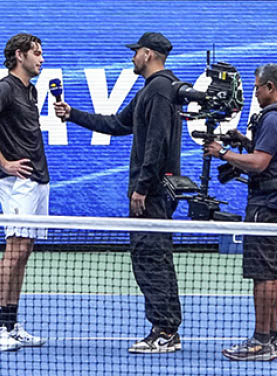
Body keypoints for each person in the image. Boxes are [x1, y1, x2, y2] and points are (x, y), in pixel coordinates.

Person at [54, 32, 183, 354]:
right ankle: (167, 328)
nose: (132, 57)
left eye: (136, 52)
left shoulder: (159, 90)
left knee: (150, 258)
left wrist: (141, 187)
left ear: (149, 54)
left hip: (152, 192)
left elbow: (156, 144)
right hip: (154, 189)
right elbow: (118, 124)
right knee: (153, 257)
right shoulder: (153, 90)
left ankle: (164, 331)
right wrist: (73, 114)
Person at [205, 63, 277, 361]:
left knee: (263, 274)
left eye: (257, 88)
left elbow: (261, 164)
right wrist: (245, 143)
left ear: (271, 88)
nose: (255, 93)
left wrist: (222, 153)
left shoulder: (273, 118)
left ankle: (261, 341)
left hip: (266, 205)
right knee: (272, 272)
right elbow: (273, 155)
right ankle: (272, 337)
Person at [0, 33, 49, 352]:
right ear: (20, 55)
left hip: (37, 180)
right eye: (37, 54)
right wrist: (4, 162)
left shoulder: (29, 91)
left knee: (24, 251)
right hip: (18, 184)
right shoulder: (4, 88)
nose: (42, 59)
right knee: (14, 251)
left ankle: (11, 323)